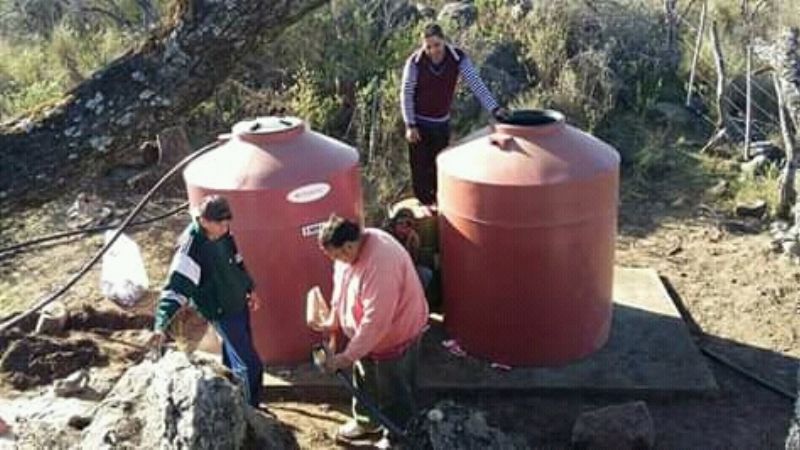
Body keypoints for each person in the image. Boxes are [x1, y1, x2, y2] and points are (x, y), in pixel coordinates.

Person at [308, 215, 429, 446]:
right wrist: (334, 319)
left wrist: (345, 357)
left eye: (336, 256)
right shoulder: (346, 255)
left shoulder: (381, 264)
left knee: (395, 389)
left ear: (349, 246)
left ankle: (398, 436)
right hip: (365, 339)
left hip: (395, 335)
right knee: (365, 378)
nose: (335, 261)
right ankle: (367, 422)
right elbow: (341, 287)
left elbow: (376, 322)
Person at [148, 195, 264, 408]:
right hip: (220, 310)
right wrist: (160, 325)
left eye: (227, 222)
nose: (225, 227)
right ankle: (251, 409)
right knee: (249, 364)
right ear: (204, 221)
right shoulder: (191, 250)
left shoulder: (224, 233)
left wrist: (249, 287)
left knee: (233, 359)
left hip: (238, 302)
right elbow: (174, 289)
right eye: (220, 223)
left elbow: (236, 261)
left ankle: (234, 403)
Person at [401, 22, 510, 206]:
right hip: (419, 125)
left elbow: (476, 84)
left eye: (437, 45)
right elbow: (406, 93)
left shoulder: (458, 58)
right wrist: (410, 125)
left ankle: (440, 206)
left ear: (444, 41)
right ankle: (425, 208)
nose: (433, 50)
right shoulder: (415, 63)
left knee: (440, 167)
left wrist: (494, 108)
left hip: (441, 123)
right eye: (428, 47)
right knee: (420, 169)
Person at [386, 208, 433, 290]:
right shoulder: (388, 237)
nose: (403, 227)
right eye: (400, 223)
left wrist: (411, 244)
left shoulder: (412, 238)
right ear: (394, 224)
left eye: (408, 224)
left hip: (406, 271)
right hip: (389, 272)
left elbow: (412, 263)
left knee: (425, 274)